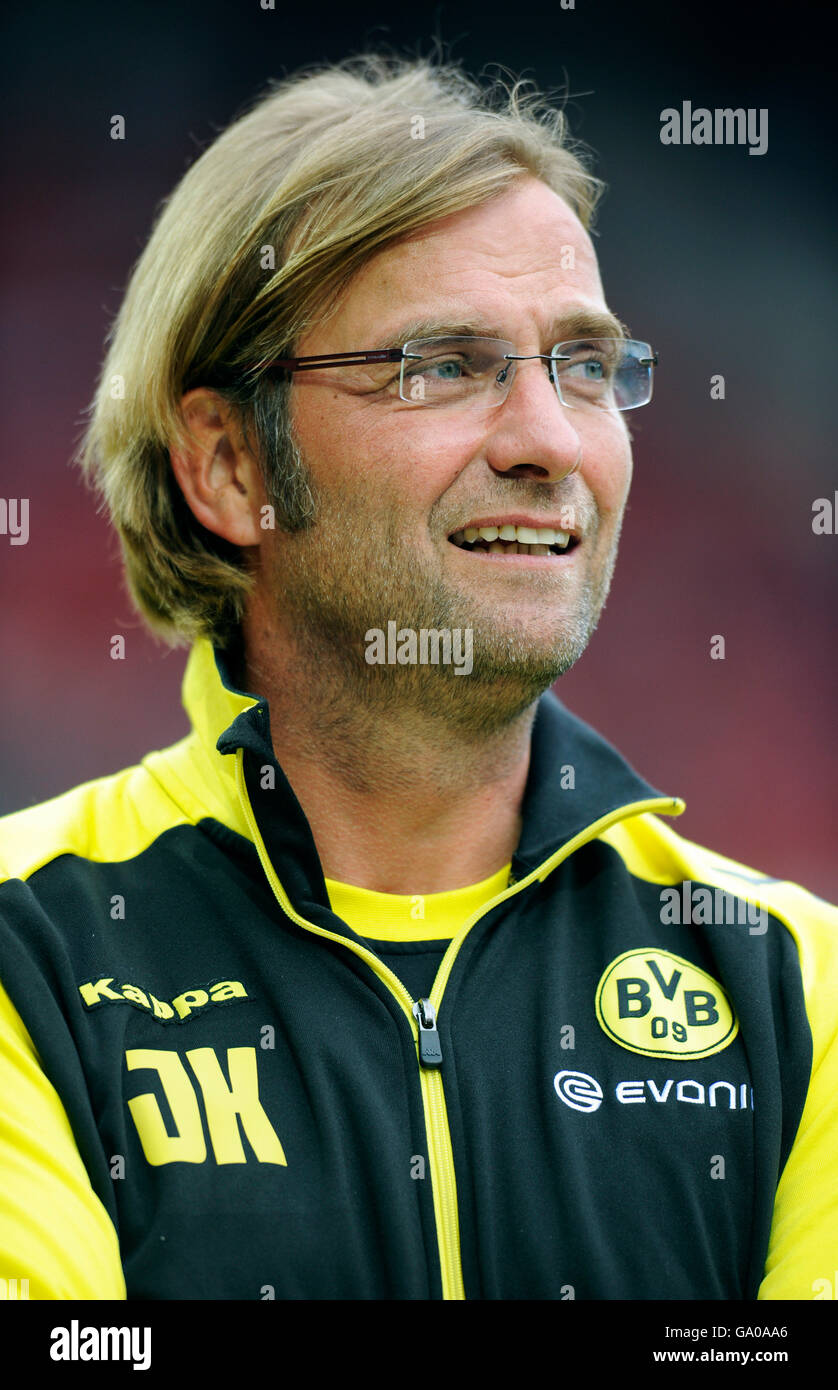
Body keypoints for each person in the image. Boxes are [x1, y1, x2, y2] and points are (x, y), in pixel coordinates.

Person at [0, 53, 835, 1302]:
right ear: (228, 466)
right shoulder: (30, 949)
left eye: (588, 367)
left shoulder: (796, 981)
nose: (551, 441)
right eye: (440, 366)